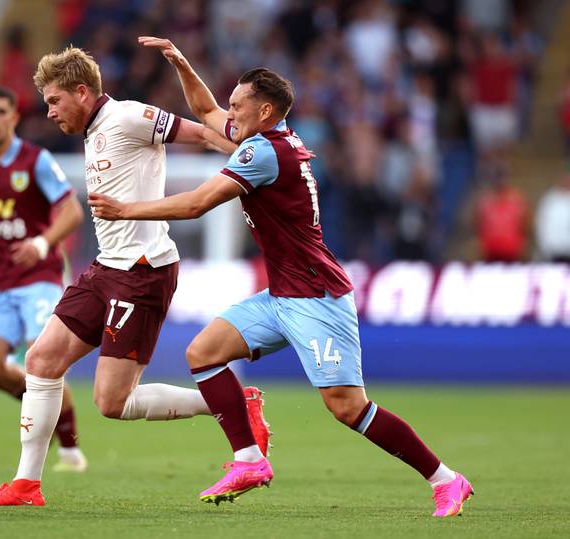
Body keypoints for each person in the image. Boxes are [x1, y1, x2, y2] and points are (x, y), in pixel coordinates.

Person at [88, 36, 474, 517]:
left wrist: (127, 209)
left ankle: (447, 479)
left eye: (239, 105)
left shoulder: (263, 153)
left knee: (347, 407)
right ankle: (249, 459)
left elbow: (195, 204)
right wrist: (182, 63)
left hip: (316, 296)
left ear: (265, 111)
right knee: (204, 353)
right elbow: (206, 111)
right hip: (283, 293)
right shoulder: (262, 138)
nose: (229, 113)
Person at [0, 47, 269, 507]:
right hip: (107, 266)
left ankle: (232, 402)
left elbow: (204, 135)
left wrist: (260, 163)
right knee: (41, 360)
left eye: (54, 101)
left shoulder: (127, 117)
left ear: (82, 92)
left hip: (143, 272)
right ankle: (25, 485)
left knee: (113, 403)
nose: (49, 112)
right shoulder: (94, 129)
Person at [0, 86, 88, 473]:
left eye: (1, 111)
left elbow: (72, 212)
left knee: (42, 361)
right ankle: (41, 408)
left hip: (38, 276)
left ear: (14, 117)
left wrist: (42, 242)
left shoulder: (35, 160)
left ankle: (69, 448)